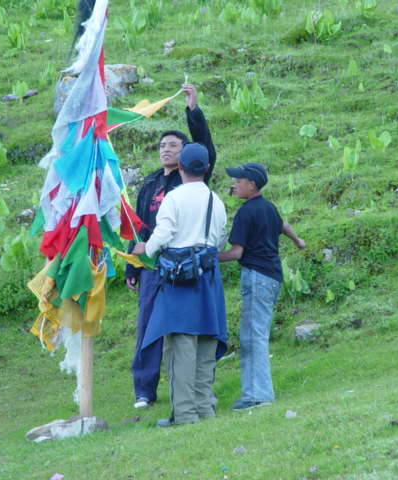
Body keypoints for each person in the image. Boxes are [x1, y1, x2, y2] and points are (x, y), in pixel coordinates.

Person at [126, 84, 216, 409]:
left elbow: (206, 148)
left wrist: (193, 109)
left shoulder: (190, 179)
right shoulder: (150, 183)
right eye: (163, 145)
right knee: (147, 325)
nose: (166, 149)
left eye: (173, 145)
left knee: (185, 327)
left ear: (185, 152)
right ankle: (144, 391)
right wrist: (132, 266)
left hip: (183, 263)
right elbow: (137, 226)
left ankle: (192, 388)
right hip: (152, 264)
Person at [132, 143, 227, 426]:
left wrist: (146, 249)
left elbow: (163, 234)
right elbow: (221, 240)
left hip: (179, 279)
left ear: (181, 166)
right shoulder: (215, 200)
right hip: (208, 277)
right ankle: (205, 408)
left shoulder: (173, 198)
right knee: (206, 343)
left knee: (181, 346)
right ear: (206, 168)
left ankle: (184, 414)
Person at [218, 163, 305, 410]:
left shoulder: (246, 213)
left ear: (252, 185)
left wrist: (207, 257)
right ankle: (256, 392)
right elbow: (283, 225)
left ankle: (257, 395)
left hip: (256, 277)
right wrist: (298, 241)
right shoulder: (268, 207)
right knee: (256, 333)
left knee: (252, 336)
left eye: (239, 181)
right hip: (273, 276)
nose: (235, 185)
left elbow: (236, 253)